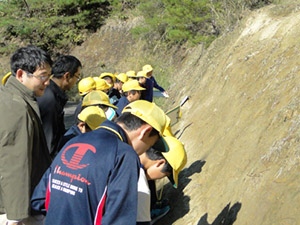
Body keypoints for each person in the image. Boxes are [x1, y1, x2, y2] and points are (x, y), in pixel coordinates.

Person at [31, 100, 168, 225]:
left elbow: (39, 199)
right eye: (152, 143)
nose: (146, 149)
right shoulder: (124, 155)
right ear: (146, 131)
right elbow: (120, 220)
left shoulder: (74, 141)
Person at [0, 45, 53, 225]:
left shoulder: (13, 97)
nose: (47, 82)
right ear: (21, 74)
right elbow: (14, 163)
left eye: (49, 76)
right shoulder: (17, 107)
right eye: (43, 76)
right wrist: (15, 216)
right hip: (16, 209)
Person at [37, 55, 82, 158]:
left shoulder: (50, 92)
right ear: (67, 76)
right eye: (77, 76)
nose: (76, 81)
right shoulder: (50, 100)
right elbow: (49, 143)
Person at [137, 136, 187, 225]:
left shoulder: (126, 152)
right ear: (160, 163)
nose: (159, 178)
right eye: (165, 175)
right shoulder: (139, 185)